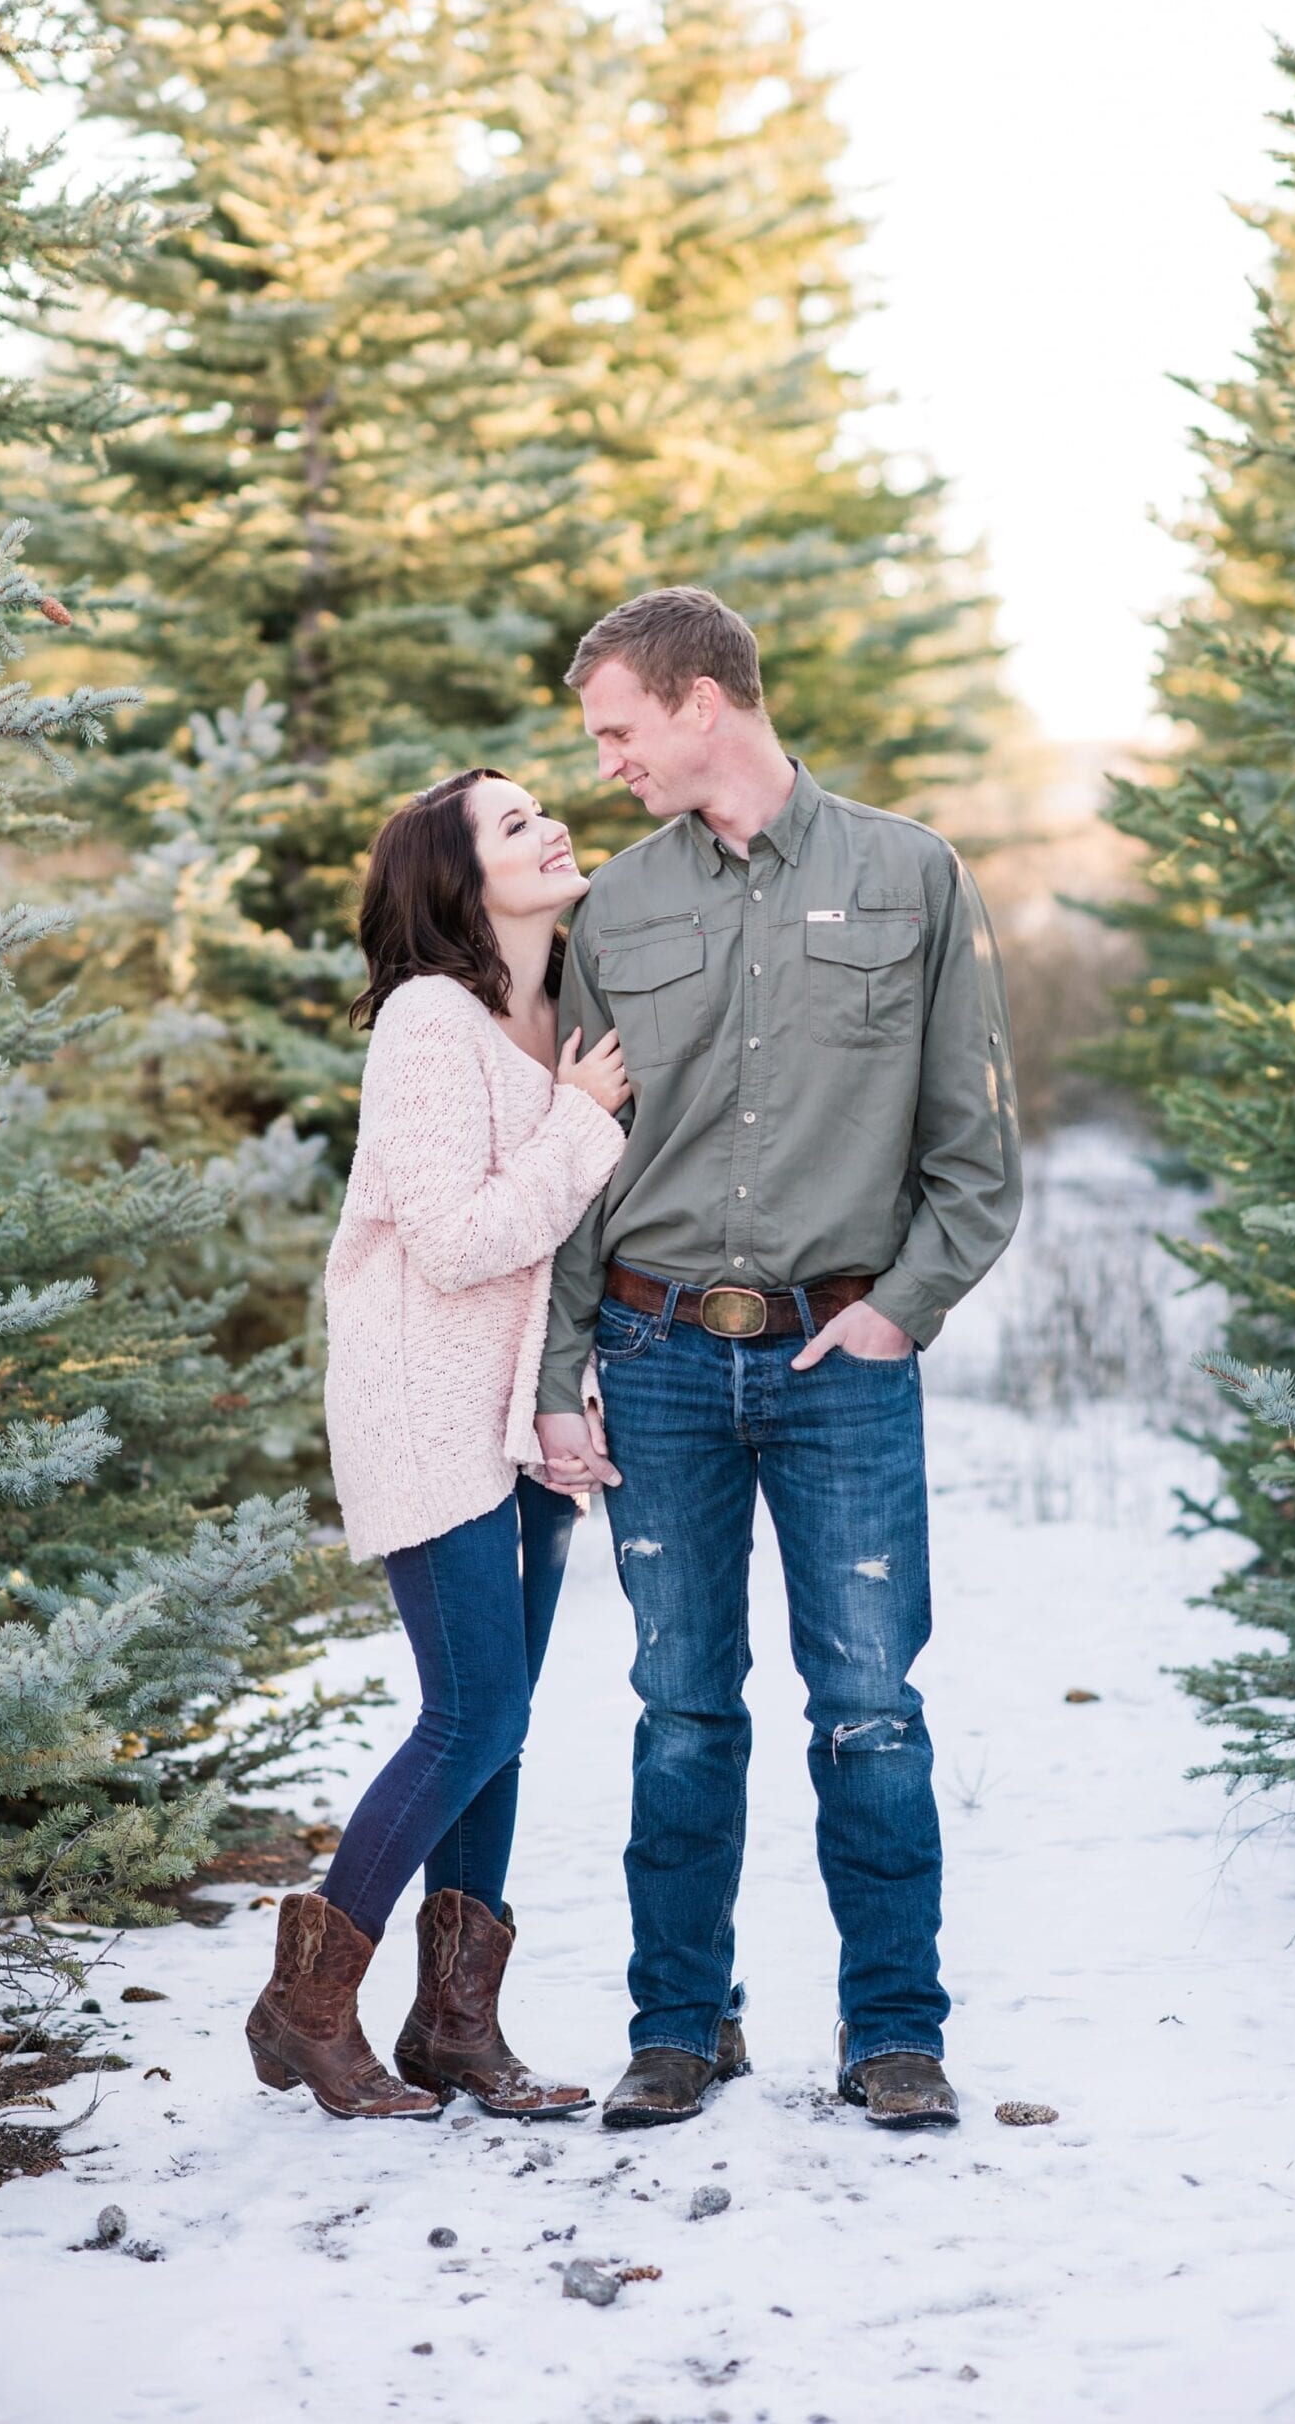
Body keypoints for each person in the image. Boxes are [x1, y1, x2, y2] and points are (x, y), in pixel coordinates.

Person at [535, 587, 1022, 2135]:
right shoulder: (612, 910)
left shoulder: (912, 873)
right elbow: (575, 1160)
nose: (603, 760)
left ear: (700, 704)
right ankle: (679, 2028)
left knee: (870, 1705)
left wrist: (900, 1308)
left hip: (840, 1360)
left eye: (617, 727)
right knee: (681, 1707)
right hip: (657, 1350)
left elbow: (976, 1144)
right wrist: (561, 1370)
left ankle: (894, 2034)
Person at [246, 770, 629, 2122]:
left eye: (542, 809)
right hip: (424, 1401)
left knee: (498, 1735)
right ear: (459, 879)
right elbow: (457, 1239)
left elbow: (571, 1239)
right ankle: (303, 2008)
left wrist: (571, 1396)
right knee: (473, 1711)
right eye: (514, 823)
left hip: (524, 1412)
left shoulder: (572, 1004)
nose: (551, 827)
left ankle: (456, 2027)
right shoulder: (427, 1021)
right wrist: (581, 1122)